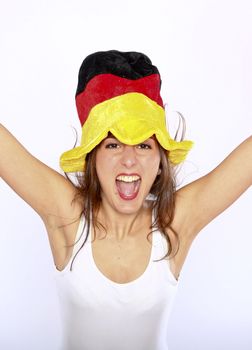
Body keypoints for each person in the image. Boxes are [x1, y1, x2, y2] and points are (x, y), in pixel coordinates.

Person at [0, 50, 251, 350]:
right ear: (92, 158)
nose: (130, 160)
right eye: (113, 144)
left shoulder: (174, 224)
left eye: (144, 145)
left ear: (160, 160)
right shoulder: (67, 215)